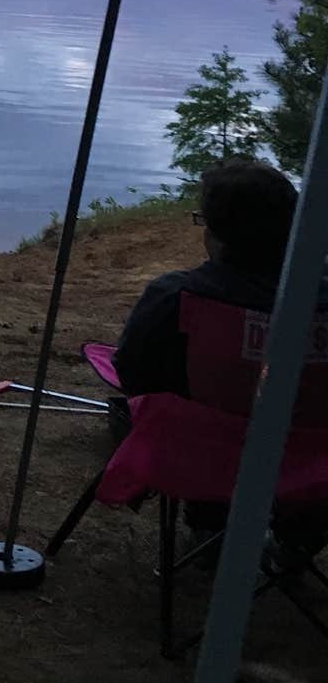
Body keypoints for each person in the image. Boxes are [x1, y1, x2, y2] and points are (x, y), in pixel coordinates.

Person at [115, 157, 328, 554]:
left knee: (196, 415)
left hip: (205, 460)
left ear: (217, 236)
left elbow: (132, 371)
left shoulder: (176, 296)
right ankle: (299, 542)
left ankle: (211, 530)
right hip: (315, 466)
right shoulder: (319, 301)